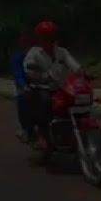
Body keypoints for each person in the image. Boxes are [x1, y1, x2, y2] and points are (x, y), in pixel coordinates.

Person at [23, 21, 82, 152]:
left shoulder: (62, 52)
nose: (48, 40)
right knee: (44, 102)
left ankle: (75, 132)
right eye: (44, 37)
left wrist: (81, 72)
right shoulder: (34, 53)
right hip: (42, 88)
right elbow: (28, 70)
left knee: (79, 100)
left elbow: (74, 65)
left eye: (50, 37)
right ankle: (42, 136)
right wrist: (39, 76)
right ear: (39, 39)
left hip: (62, 88)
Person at [12, 33, 33, 143]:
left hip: (38, 84)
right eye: (24, 43)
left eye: (28, 43)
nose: (26, 45)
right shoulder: (18, 56)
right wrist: (23, 85)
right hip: (23, 86)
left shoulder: (37, 54)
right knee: (22, 103)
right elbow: (17, 73)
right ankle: (24, 129)